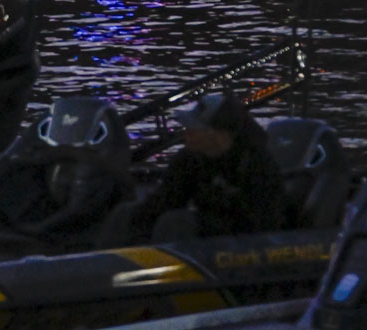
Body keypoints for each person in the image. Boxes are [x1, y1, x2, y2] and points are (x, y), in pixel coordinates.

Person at [98, 93, 287, 245]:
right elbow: (166, 200)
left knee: (177, 222)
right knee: (124, 213)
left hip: (242, 243)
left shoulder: (257, 164)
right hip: (207, 230)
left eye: (194, 129)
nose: (186, 133)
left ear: (220, 136)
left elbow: (264, 222)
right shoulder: (189, 159)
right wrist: (133, 218)